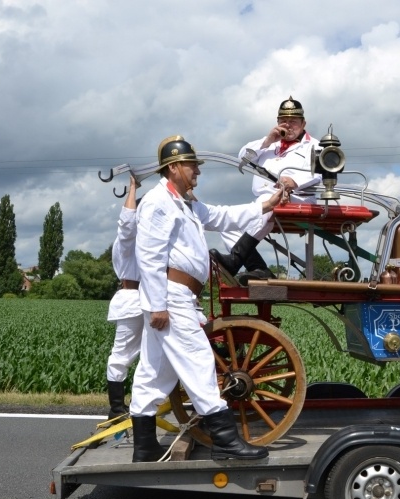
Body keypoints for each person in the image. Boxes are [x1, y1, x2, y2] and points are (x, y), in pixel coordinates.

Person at [130, 135, 287, 463]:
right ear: (173, 168)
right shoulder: (158, 202)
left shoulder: (183, 203)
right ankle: (227, 441)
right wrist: (157, 305)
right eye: (192, 166)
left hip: (177, 295)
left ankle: (144, 447)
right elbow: (149, 255)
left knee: (155, 372)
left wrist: (264, 205)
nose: (197, 172)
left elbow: (221, 216)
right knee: (200, 362)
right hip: (171, 297)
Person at [211, 96, 320, 285]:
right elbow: (243, 157)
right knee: (230, 224)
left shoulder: (315, 145)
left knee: (268, 203)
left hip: (298, 198)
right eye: (283, 121)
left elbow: (319, 173)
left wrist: (294, 181)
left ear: (303, 123)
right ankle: (259, 269)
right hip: (265, 200)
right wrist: (268, 141)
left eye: (293, 121)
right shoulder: (269, 143)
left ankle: (234, 261)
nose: (289, 125)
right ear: (277, 123)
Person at [104, 174, 142, 420]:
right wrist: (132, 189)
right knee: (121, 356)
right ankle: (116, 408)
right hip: (132, 299)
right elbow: (127, 223)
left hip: (150, 297)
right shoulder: (127, 241)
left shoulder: (148, 240)